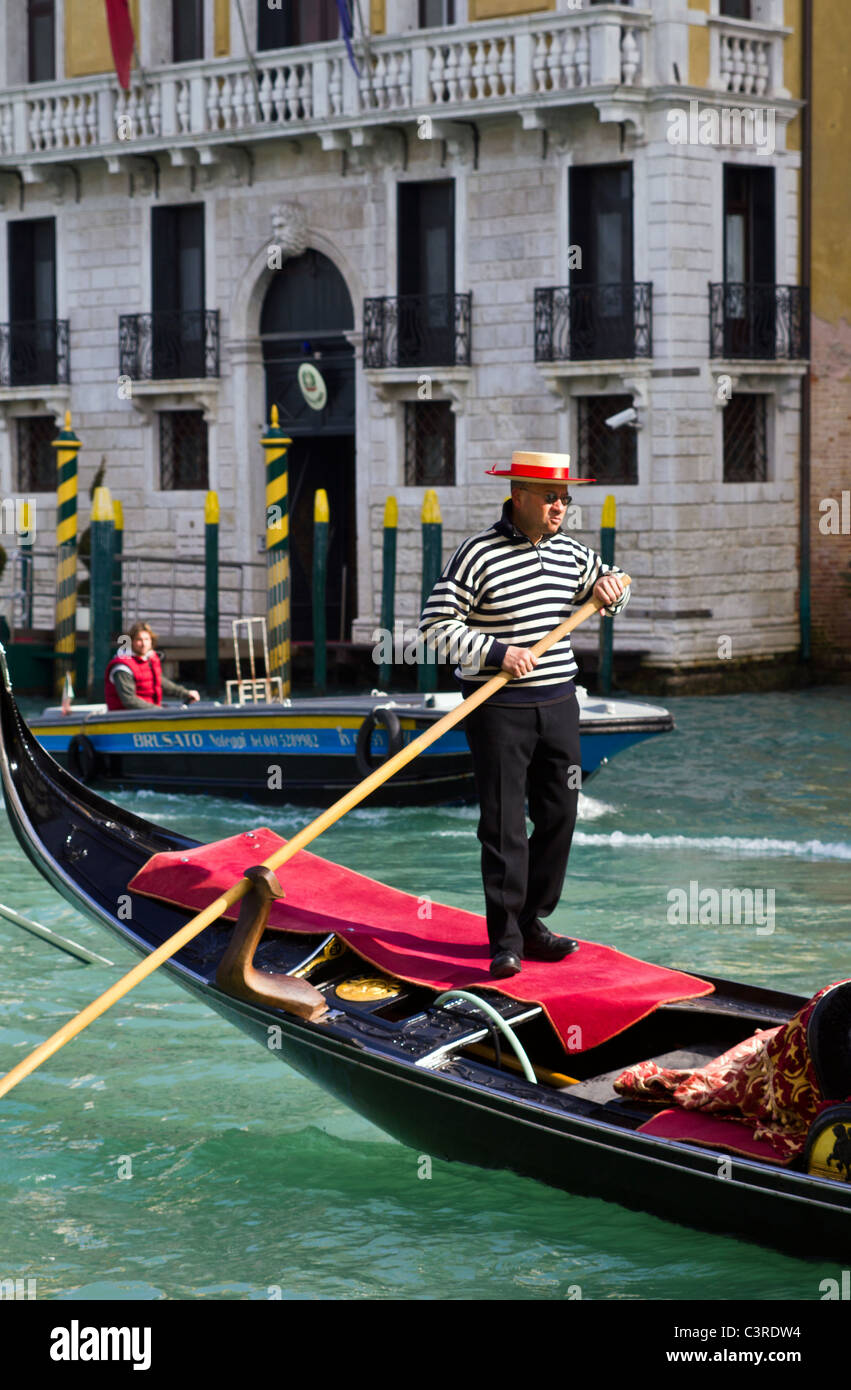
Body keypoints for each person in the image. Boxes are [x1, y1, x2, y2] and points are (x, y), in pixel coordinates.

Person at [419, 452, 630, 979]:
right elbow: (434, 626)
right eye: (550, 497)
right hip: (497, 705)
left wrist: (614, 588)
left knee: (561, 813)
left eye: (565, 498)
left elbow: (615, 588)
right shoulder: (476, 554)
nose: (560, 506)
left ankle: (533, 920)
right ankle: (506, 938)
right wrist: (498, 653)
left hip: (559, 701)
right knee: (504, 823)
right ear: (519, 496)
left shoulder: (573, 555)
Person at [104, 621, 200, 710]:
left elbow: (160, 682)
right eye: (139, 640)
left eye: (146, 639)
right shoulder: (123, 667)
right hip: (127, 718)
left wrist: (185, 693)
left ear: (151, 641)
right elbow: (129, 701)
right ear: (131, 641)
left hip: (150, 714)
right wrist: (160, 711)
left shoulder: (149, 659)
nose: (143, 644)